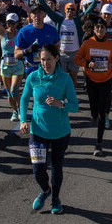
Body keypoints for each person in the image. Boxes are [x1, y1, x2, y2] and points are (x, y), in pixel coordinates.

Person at [19, 44, 78, 214]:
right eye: (42, 60)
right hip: (38, 131)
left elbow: (75, 106)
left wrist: (61, 104)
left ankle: (55, 198)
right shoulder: (33, 77)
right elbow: (24, 99)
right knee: (38, 170)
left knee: (56, 167)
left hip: (60, 132)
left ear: (57, 58)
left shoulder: (65, 79)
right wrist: (23, 120)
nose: (45, 63)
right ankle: (45, 190)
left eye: (49, 59)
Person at [74, 18, 112, 156]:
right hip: (91, 80)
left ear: (105, 29)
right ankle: (94, 115)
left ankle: (99, 144)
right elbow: (77, 59)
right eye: (97, 28)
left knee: (102, 112)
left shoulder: (111, 45)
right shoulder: (87, 43)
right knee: (94, 111)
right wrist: (87, 63)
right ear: (94, 29)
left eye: (102, 28)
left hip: (106, 80)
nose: (100, 30)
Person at [14, 3, 59, 76]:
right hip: (32, 70)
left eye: (40, 13)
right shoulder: (24, 32)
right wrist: (27, 51)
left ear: (45, 14)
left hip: (49, 70)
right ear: (30, 15)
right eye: (34, 13)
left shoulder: (52, 30)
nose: (37, 16)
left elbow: (57, 46)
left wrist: (53, 56)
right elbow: (16, 54)